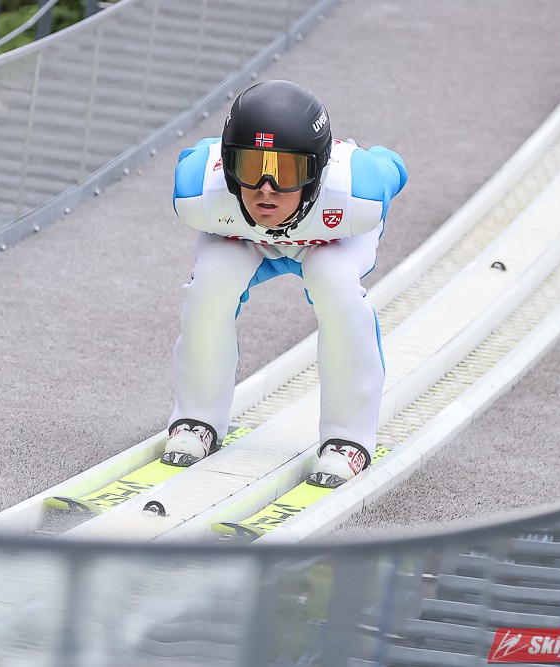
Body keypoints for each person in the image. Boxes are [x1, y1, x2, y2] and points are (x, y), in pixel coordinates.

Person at [163, 80, 407, 488]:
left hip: (331, 240)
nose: (267, 189)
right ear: (227, 167)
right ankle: (197, 418)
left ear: (318, 173)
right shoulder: (198, 192)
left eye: (288, 172)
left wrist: (376, 158)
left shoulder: (357, 194)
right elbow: (200, 154)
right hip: (243, 237)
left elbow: (393, 165)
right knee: (210, 284)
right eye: (250, 168)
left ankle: (348, 437)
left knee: (336, 286)